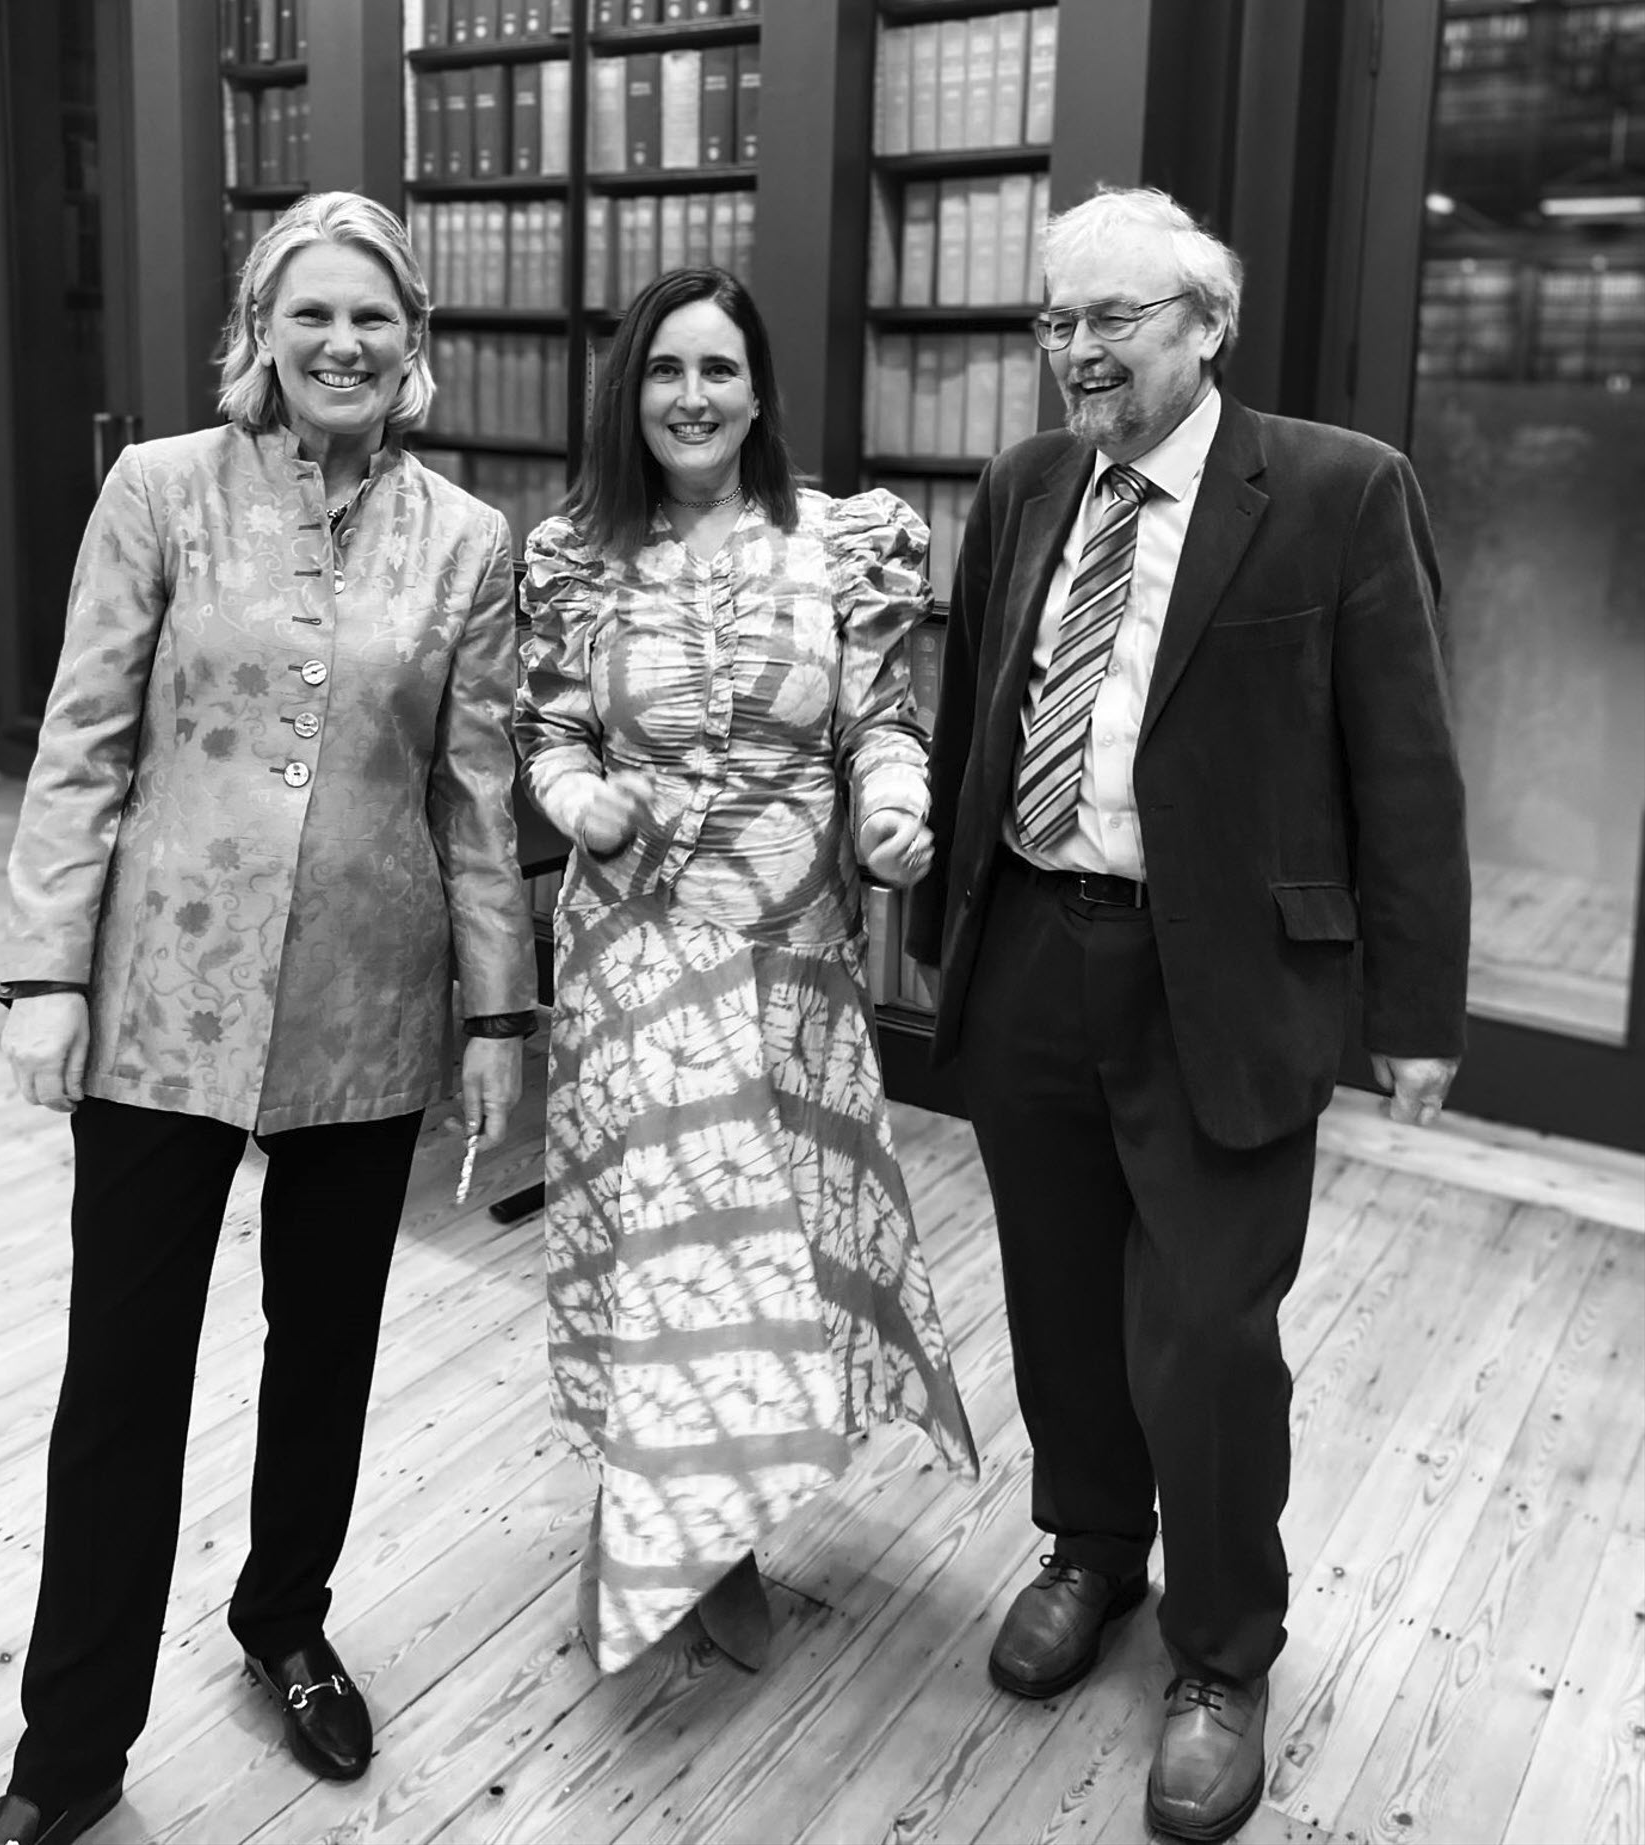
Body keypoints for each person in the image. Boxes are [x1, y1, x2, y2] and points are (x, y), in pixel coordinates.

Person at [0, 192, 538, 1845]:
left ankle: (284, 1617)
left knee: (328, 1350)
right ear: (260, 338)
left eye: (373, 318)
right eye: (311, 317)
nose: (342, 344)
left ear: (412, 342)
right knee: (124, 1378)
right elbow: (82, 742)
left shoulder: (467, 542)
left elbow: (477, 801)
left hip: (370, 1005)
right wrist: (44, 973)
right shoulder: (158, 490)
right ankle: (68, 1751)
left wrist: (501, 1023)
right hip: (161, 1002)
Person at [907, 187, 1469, 1844]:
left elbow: (1409, 767)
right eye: (1052, 321)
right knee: (1059, 1294)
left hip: (1218, 977)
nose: (1076, 353)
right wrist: (947, 924)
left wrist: (1415, 1007)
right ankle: (1090, 1546)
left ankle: (1221, 1653)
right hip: (1029, 951)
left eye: (1113, 321)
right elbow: (976, 709)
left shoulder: (1337, 490)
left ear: (1204, 323)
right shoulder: (1020, 487)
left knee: (1209, 1334)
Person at [514, 266, 978, 1677]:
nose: (691, 397)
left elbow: (879, 731)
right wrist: (570, 795)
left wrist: (895, 814)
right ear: (628, 392)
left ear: (758, 388)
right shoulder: (573, 556)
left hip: (790, 960)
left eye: (717, 369)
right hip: (632, 952)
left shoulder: (846, 542)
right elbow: (545, 733)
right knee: (664, 1250)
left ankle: (713, 1514)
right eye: (664, 371)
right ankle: (665, 1528)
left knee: (767, 1256)